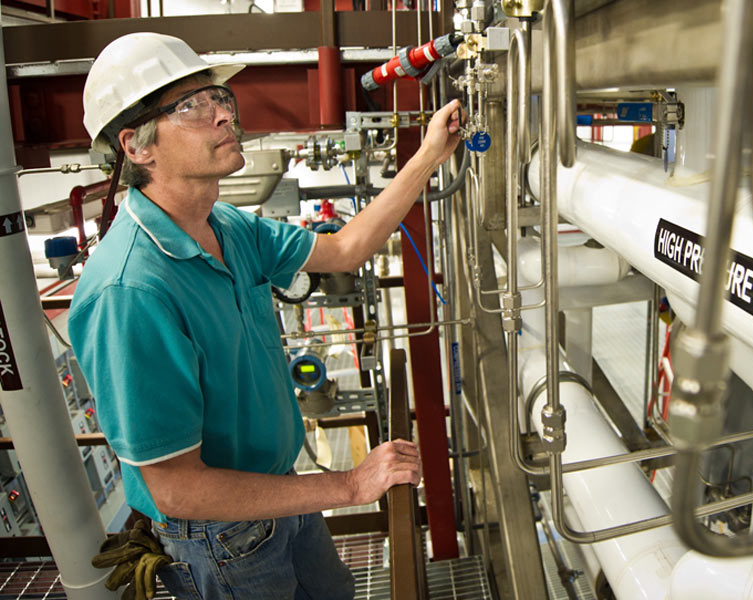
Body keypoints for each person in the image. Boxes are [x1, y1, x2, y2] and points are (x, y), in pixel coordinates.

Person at [68, 32, 462, 599]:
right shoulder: (129, 291)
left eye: (220, 99)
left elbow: (346, 250)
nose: (223, 116)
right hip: (220, 535)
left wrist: (428, 155)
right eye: (192, 107)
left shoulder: (228, 224)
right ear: (137, 146)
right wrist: (349, 485)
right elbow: (177, 489)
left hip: (283, 494)